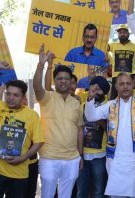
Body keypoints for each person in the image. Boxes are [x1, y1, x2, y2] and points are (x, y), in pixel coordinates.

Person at [0, 60, 44, 198]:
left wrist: (24, 157)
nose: (10, 98)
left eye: (15, 95)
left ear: (23, 97)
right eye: (8, 94)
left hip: (19, 173)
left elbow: (39, 141)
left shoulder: (31, 115)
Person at [84, 72, 135, 197]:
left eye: (128, 83)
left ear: (132, 86)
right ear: (116, 87)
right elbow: (91, 116)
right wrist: (90, 99)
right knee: (115, 194)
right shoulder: (110, 105)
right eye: (121, 84)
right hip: (115, 160)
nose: (125, 87)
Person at [33, 44, 84, 198]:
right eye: (60, 78)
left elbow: (80, 129)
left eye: (66, 79)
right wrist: (42, 65)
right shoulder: (47, 97)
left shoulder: (76, 103)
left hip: (72, 158)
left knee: (66, 196)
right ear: (55, 80)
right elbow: (36, 87)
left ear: (71, 82)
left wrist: (80, 155)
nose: (63, 81)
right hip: (49, 157)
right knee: (47, 195)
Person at [77, 76, 110, 198]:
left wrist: (101, 120)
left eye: (99, 89)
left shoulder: (110, 106)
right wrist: (79, 153)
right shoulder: (83, 106)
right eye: (94, 88)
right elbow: (78, 129)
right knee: (82, 191)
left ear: (105, 92)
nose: (96, 92)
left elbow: (113, 131)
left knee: (98, 192)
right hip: (83, 155)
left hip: (100, 155)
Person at [108, 24, 135, 99]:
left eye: (124, 32)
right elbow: (102, 47)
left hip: (129, 79)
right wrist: (106, 56)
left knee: (129, 100)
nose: (122, 34)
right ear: (118, 34)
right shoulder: (113, 45)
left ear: (128, 33)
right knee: (114, 101)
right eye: (120, 32)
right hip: (116, 78)